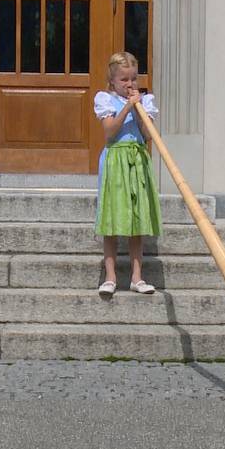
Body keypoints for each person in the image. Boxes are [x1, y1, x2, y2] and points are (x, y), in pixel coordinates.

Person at [93, 52, 162, 296]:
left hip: (137, 159)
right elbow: (110, 132)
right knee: (112, 218)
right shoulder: (105, 99)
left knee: (137, 220)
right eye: (124, 79)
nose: (130, 84)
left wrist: (140, 107)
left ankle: (137, 277)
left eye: (134, 78)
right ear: (112, 81)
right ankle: (110, 277)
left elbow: (147, 134)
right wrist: (127, 108)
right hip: (115, 160)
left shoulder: (146, 101)